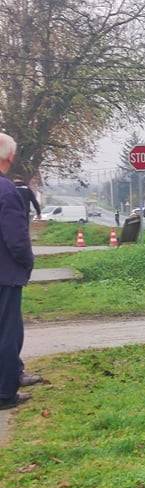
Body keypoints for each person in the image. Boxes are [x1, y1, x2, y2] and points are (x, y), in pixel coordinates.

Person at [0, 133, 39, 410]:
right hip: (5, 274)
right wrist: (27, 261)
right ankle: (5, 393)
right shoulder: (6, 191)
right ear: (10, 157)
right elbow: (16, 238)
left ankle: (13, 374)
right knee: (8, 333)